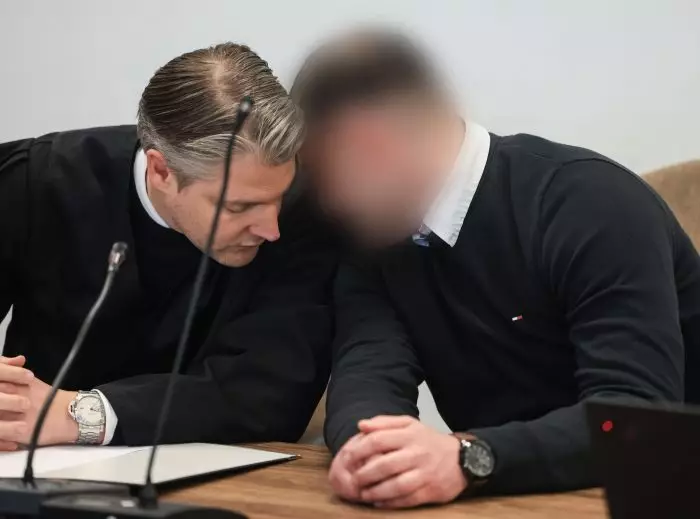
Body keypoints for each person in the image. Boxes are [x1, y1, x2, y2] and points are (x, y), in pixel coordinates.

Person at [292, 31, 700, 508]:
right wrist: (374, 452)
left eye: (323, 175)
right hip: (513, 498)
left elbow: (633, 419)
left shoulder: (592, 205)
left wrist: (471, 458)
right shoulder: (376, 239)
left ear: (371, 146)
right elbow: (367, 374)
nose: (325, 202)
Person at [0, 43, 336, 450]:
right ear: (161, 171)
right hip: (27, 459)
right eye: (239, 207)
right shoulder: (36, 184)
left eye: (278, 196)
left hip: (223, 471)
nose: (271, 229)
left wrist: (80, 415)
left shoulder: (307, 216)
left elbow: (272, 395)